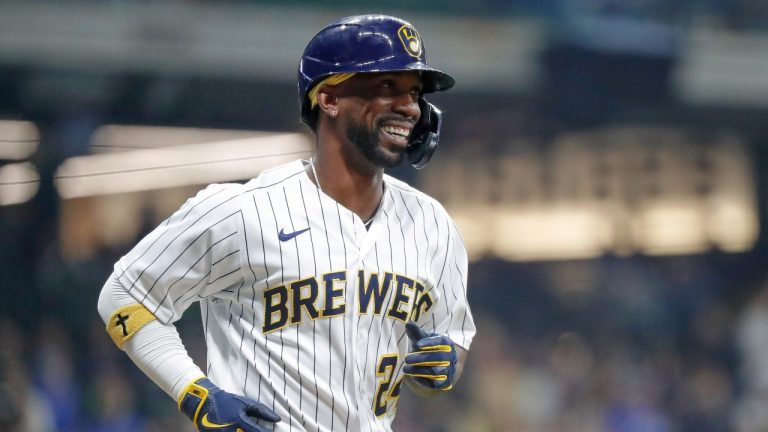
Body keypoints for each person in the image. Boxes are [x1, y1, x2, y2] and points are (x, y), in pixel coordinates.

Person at [97, 14, 475, 432]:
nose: (409, 106)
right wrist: (194, 392)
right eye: (387, 86)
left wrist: (444, 366)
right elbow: (125, 295)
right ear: (328, 99)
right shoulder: (243, 210)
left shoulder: (432, 223)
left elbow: (450, 342)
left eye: (414, 93)